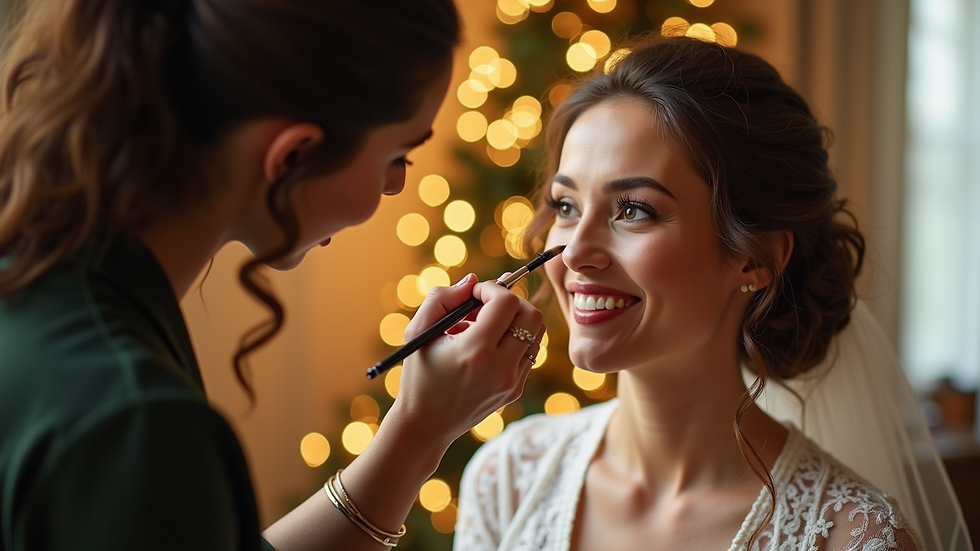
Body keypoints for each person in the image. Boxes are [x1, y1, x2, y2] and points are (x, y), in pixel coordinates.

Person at [0, 1, 545, 550]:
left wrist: (417, 431)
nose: (395, 186)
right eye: (397, 155)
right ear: (292, 156)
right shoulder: (135, 424)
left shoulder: (40, 281)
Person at [453, 36, 973, 551]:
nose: (571, 252)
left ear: (755, 257)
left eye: (633, 209)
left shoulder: (853, 540)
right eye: (566, 206)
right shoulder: (508, 481)